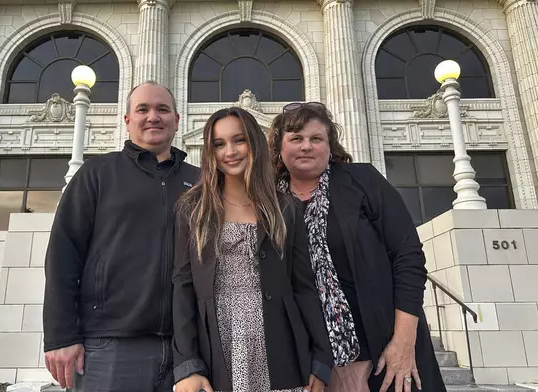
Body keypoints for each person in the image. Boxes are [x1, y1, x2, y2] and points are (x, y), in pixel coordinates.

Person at [268, 102, 445, 392]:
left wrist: (403, 340)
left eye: (316, 138)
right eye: (296, 138)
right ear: (279, 147)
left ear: (330, 146)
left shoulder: (361, 180)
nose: (306, 146)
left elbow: (407, 255)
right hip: (310, 355)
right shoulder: (269, 202)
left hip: (381, 341)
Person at [42, 81, 200, 391]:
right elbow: (63, 254)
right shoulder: (97, 173)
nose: (153, 116)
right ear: (127, 121)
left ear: (176, 120)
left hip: (187, 350)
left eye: (162, 109)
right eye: (143, 109)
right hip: (110, 347)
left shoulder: (199, 181)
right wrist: (61, 335)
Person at [172, 107, 334, 392]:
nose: (230, 151)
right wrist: (188, 364)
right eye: (219, 144)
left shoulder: (284, 207)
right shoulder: (193, 208)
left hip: (280, 343)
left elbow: (304, 287)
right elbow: (183, 286)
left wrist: (321, 359)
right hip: (218, 342)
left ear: (254, 143)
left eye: (239, 140)